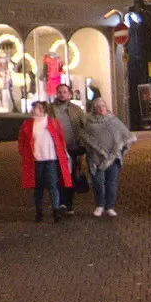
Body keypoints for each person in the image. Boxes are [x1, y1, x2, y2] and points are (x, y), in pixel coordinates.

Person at [80, 98, 136, 217]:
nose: (100, 108)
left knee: (111, 182)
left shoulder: (114, 121)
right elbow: (84, 138)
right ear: (94, 108)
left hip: (113, 157)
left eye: (102, 106)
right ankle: (100, 205)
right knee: (98, 182)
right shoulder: (88, 122)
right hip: (96, 158)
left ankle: (110, 206)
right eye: (97, 106)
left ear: (106, 107)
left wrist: (119, 149)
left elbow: (124, 135)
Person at [18, 101, 71, 223]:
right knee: (38, 187)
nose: (32, 110)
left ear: (42, 109)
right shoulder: (28, 124)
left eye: (35, 108)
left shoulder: (53, 123)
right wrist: (24, 153)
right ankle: (39, 211)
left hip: (51, 159)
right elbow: (22, 141)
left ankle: (55, 211)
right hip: (36, 160)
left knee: (52, 185)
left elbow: (60, 139)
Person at [50, 83, 88, 214]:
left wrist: (83, 145)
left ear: (69, 94)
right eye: (59, 92)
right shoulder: (50, 109)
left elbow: (85, 127)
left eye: (64, 92)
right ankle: (61, 203)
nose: (62, 94)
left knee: (70, 177)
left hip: (72, 148)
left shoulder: (77, 110)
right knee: (57, 176)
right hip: (56, 149)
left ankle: (69, 204)